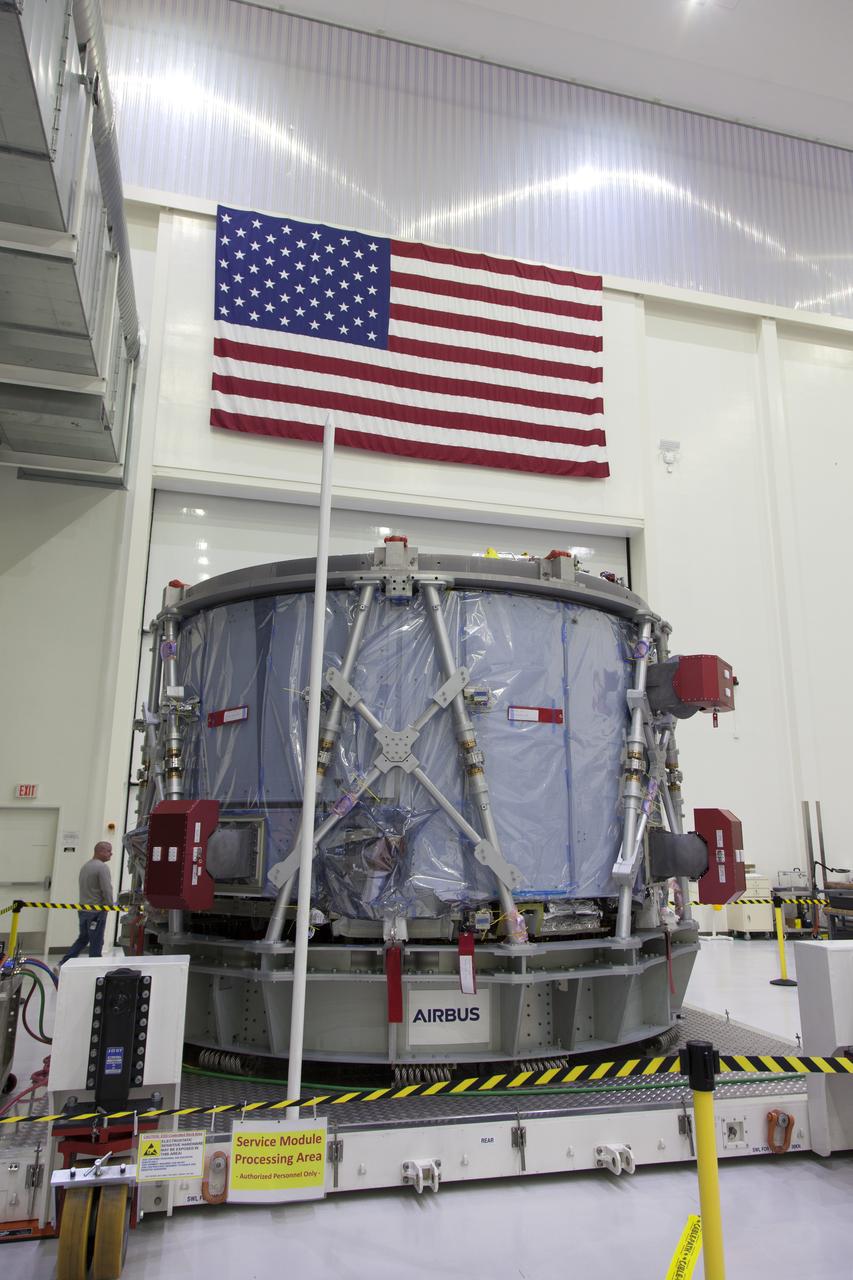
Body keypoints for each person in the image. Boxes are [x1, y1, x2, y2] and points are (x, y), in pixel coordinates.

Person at [60, 841, 114, 965]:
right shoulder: (102, 867)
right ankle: (95, 967)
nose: (111, 853)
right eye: (108, 851)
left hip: (83, 910)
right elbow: (106, 889)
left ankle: (63, 963)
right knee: (96, 942)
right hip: (96, 913)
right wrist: (110, 905)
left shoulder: (86, 866)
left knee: (83, 939)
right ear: (100, 851)